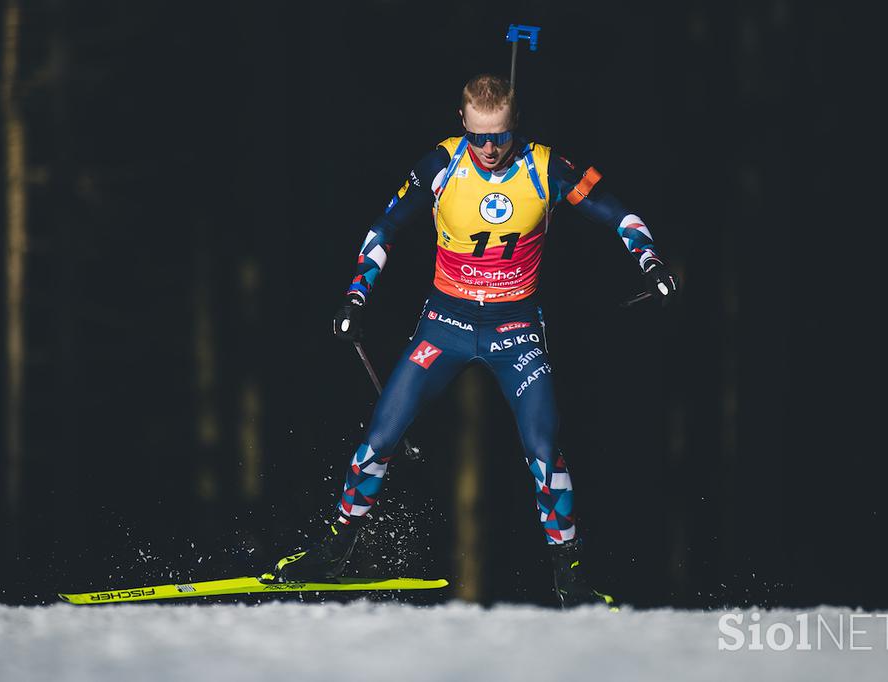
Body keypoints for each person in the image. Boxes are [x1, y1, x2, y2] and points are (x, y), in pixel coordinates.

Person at [266, 74, 677, 608]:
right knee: (380, 438)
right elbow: (384, 228)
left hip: (516, 330)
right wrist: (356, 296)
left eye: (500, 136)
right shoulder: (441, 165)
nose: (489, 149)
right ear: (462, 122)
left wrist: (651, 262)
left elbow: (620, 214)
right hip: (446, 325)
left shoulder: (545, 166)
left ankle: (572, 581)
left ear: (515, 125)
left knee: (544, 451)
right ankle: (332, 555)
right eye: (479, 136)